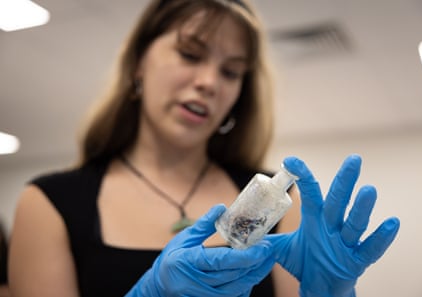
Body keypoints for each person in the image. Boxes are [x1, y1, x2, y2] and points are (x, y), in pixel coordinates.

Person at [8, 0, 400, 296]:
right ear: (138, 64)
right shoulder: (48, 204)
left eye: (231, 71)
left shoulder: (281, 203)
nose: (210, 82)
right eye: (190, 54)